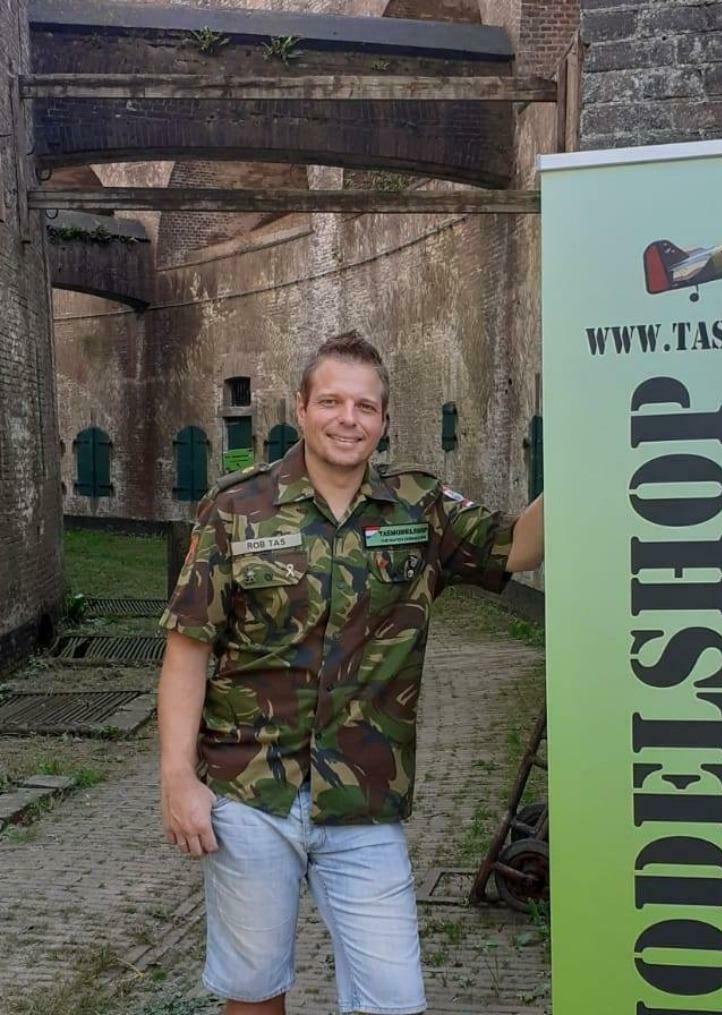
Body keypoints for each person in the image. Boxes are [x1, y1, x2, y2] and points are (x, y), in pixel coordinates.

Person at [157, 332, 544, 1015]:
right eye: (332, 401)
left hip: (364, 799)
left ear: (384, 420)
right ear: (301, 409)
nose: (348, 418)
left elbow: (517, 548)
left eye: (365, 406)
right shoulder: (236, 510)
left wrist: (593, 448)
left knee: (393, 998)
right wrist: (176, 777)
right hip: (250, 793)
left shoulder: (419, 508)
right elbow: (189, 647)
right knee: (254, 994)